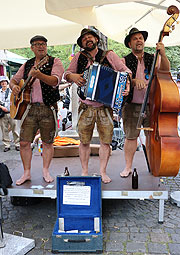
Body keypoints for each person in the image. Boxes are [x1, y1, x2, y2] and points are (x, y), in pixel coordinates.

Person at [64, 28, 131, 183]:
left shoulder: (109, 55)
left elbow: (125, 70)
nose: (88, 40)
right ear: (81, 43)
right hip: (85, 106)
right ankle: (84, 171)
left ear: (96, 40)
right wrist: (72, 76)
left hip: (104, 107)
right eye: (84, 38)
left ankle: (102, 172)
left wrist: (126, 84)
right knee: (84, 141)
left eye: (90, 37)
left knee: (105, 141)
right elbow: (66, 75)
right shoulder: (79, 57)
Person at [9, 35, 64, 185]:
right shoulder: (27, 64)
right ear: (32, 48)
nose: (41, 46)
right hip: (29, 108)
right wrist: (14, 87)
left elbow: (55, 81)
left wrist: (39, 75)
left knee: (47, 142)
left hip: (48, 107)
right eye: (37, 44)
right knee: (24, 142)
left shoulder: (55, 62)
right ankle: (26, 172)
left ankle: (45, 170)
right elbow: (14, 80)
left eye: (43, 44)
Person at [120, 27, 170, 177]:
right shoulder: (124, 60)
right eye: (135, 39)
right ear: (130, 44)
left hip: (152, 104)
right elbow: (121, 81)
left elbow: (166, 70)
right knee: (131, 136)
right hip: (132, 105)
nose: (139, 40)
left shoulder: (153, 57)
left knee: (152, 136)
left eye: (140, 38)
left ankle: (154, 164)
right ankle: (128, 167)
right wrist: (133, 81)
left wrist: (163, 53)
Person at [0, 76, 20, 152]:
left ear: (7, 83)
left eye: (5, 82)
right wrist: (1, 107)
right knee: (4, 129)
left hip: (12, 112)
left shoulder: (11, 91)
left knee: (15, 128)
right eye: (2, 82)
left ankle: (17, 144)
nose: (3, 83)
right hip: (2, 113)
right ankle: (6, 145)